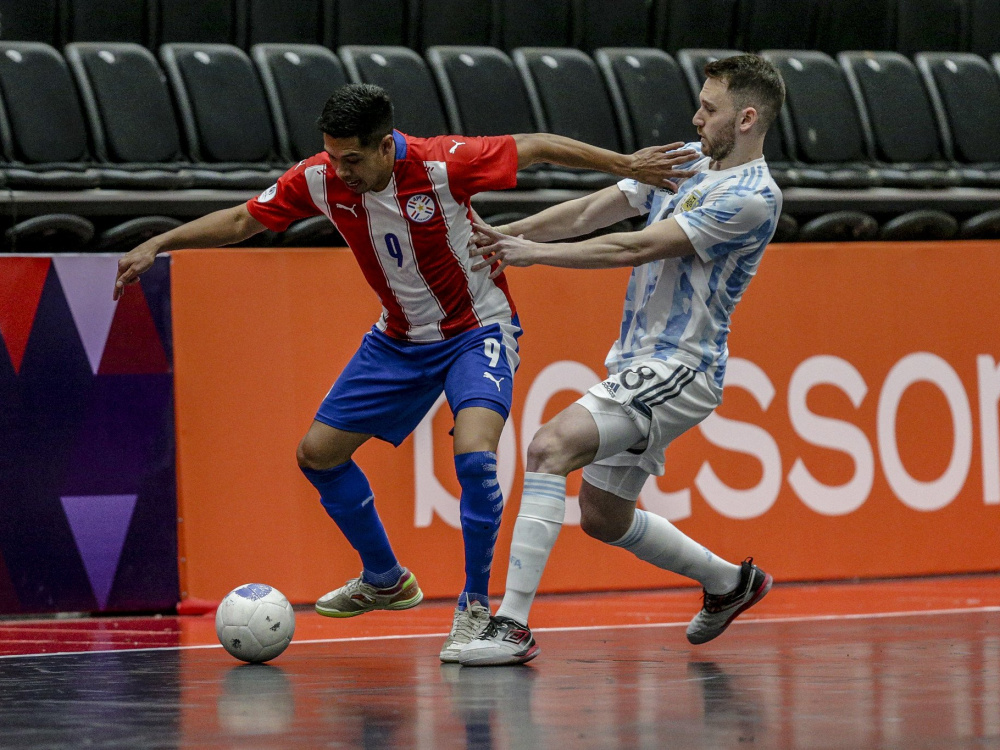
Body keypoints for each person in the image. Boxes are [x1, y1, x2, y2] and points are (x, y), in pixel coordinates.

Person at [113, 83, 698, 663]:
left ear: (386, 145)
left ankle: (474, 605)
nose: (339, 170)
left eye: (352, 159)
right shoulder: (319, 177)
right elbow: (244, 220)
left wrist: (626, 165)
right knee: (318, 453)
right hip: (397, 341)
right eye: (331, 155)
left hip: (477, 331)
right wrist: (158, 242)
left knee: (474, 457)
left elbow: (536, 144)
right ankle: (385, 578)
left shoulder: (443, 164)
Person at [458, 54, 786, 666]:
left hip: (681, 367)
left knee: (550, 446)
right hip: (639, 361)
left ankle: (511, 624)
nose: (696, 116)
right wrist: (504, 237)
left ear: (745, 119)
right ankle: (729, 583)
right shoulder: (687, 160)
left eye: (709, 109)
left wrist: (530, 253)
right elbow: (592, 212)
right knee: (604, 516)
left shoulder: (754, 198)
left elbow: (636, 245)